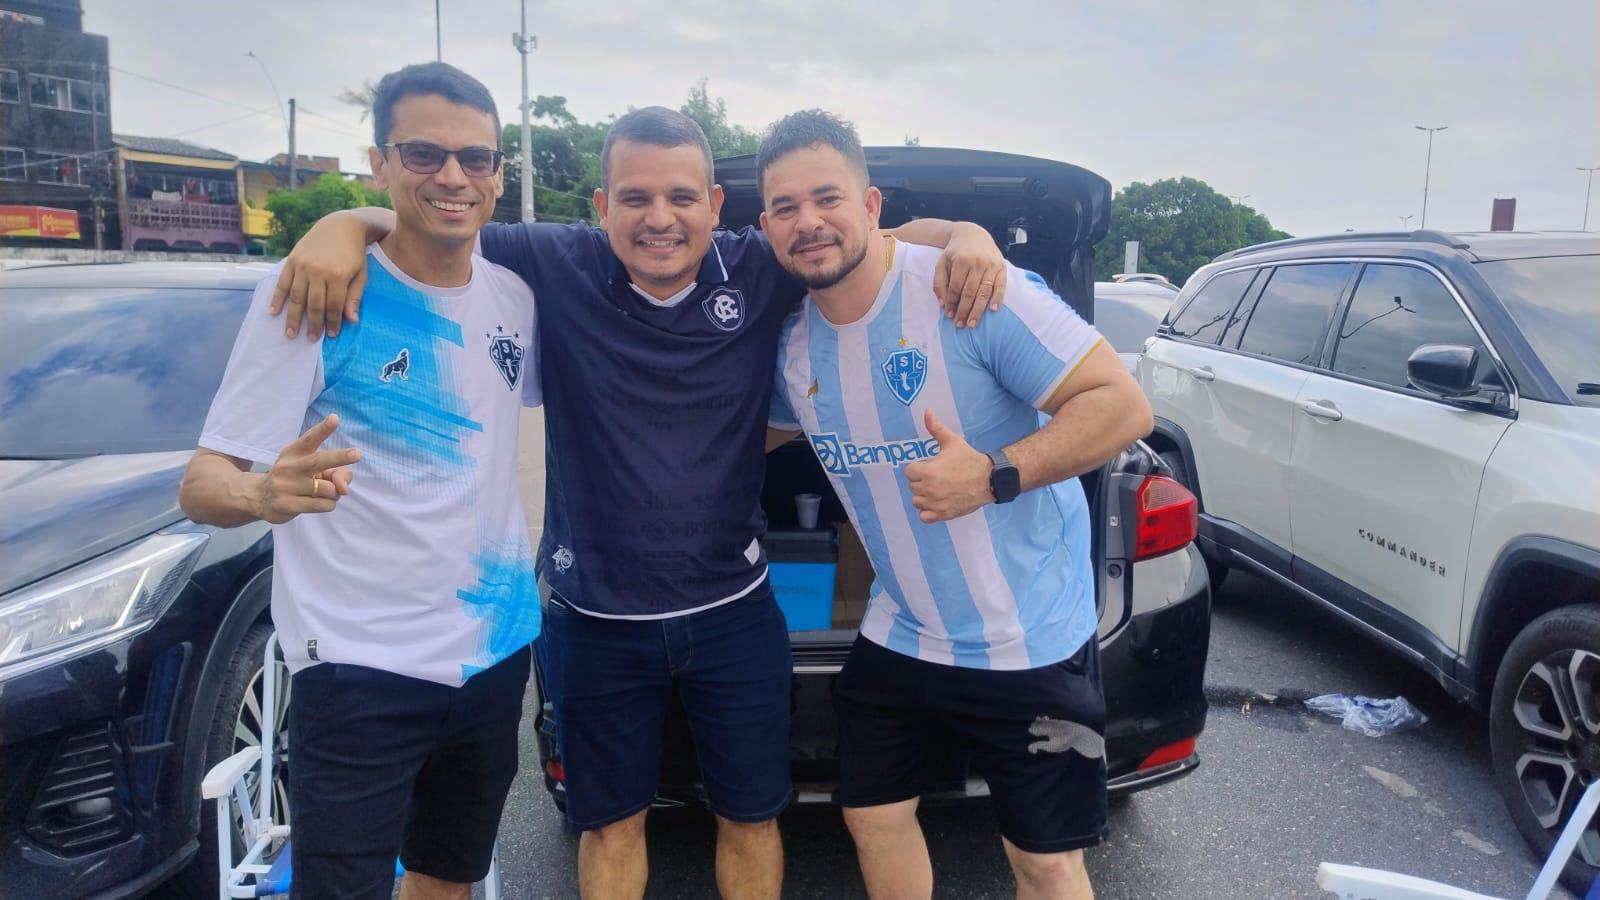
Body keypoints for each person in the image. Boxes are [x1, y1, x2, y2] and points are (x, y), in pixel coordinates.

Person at [271, 105, 1008, 900]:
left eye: (682, 197)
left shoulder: (757, 266)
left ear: (715, 208)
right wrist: (346, 222)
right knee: (611, 826)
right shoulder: (556, 260)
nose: (660, 218)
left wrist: (968, 234)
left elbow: (878, 236)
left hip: (733, 613)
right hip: (595, 621)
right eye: (635, 198)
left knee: (751, 818)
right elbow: (440, 218)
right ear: (601, 207)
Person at [758, 110, 1153, 900]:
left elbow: (1122, 407)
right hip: (902, 629)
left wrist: (995, 474)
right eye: (785, 207)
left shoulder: (970, 292)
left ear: (870, 206)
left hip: (1026, 638)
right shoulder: (792, 346)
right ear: (765, 225)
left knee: (1046, 864)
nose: (808, 222)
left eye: (827, 198)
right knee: (872, 818)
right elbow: (738, 443)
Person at [177, 62, 541, 900]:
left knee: (449, 878)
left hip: (493, 655)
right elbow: (203, 481)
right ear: (380, 163)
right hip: (357, 670)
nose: (453, 176)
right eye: (424, 153)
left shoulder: (515, 299)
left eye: (476, 158)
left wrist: (350, 219)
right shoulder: (315, 295)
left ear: (497, 174)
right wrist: (260, 495)